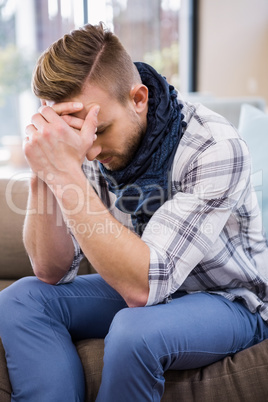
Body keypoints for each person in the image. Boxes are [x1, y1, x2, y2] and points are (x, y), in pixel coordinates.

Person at [0, 22, 268, 402]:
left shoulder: (214, 146)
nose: (89, 151)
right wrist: (48, 169)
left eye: (101, 130)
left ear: (138, 98)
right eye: (76, 133)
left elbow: (144, 287)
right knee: (20, 299)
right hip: (152, 288)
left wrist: (66, 174)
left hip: (228, 297)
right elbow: (51, 269)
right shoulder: (85, 142)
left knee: (133, 332)